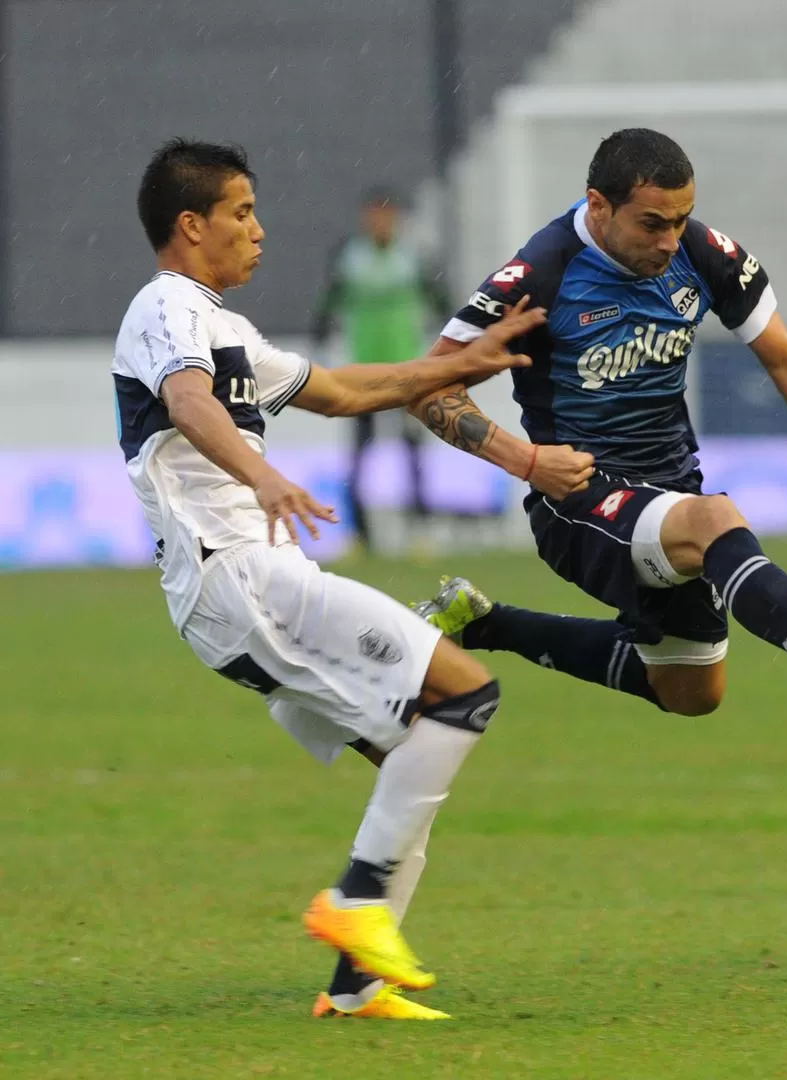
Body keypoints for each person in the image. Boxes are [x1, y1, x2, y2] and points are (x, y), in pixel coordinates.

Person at [113, 138, 558, 1020]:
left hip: (239, 585)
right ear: (190, 225)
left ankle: (357, 990)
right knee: (464, 695)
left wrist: (468, 361)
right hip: (236, 572)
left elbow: (352, 389)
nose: (259, 230)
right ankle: (356, 907)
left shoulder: (227, 328)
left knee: (409, 757)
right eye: (242, 213)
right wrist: (265, 477)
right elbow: (193, 403)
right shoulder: (164, 305)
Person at [409, 128, 787, 714]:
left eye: (682, 219)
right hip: (577, 500)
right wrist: (529, 461)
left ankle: (484, 623)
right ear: (598, 205)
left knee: (691, 693)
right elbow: (427, 386)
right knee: (715, 521)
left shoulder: (704, 254)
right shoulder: (542, 273)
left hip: (670, 490)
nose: (671, 240)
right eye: (652, 224)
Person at [311, 188, 449, 551]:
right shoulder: (349, 258)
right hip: (365, 374)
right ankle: (359, 535)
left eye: (386, 216)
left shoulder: (414, 258)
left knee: (414, 453)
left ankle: (421, 532)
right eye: (374, 216)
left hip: (409, 371)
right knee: (359, 455)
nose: (380, 223)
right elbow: (326, 309)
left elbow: (443, 304)